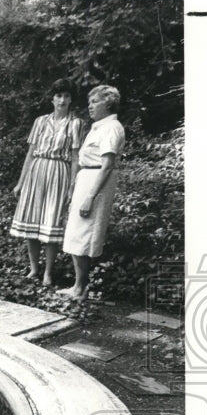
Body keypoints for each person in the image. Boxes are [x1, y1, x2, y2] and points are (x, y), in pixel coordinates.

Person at [9, 78, 83, 286]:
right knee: (31, 220)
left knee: (51, 222)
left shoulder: (75, 124)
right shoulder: (40, 122)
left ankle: (48, 273)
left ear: (71, 100)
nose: (62, 100)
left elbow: (76, 157)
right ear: (52, 98)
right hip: (37, 171)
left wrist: (72, 185)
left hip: (59, 172)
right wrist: (21, 182)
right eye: (59, 96)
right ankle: (34, 269)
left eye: (67, 96)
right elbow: (30, 153)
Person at [60, 85, 125, 298]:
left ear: (108, 103)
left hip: (97, 182)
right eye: (89, 102)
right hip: (86, 178)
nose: (90, 106)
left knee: (84, 235)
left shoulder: (112, 128)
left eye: (95, 102)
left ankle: (80, 288)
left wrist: (90, 197)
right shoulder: (98, 127)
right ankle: (79, 286)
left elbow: (107, 164)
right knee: (76, 234)